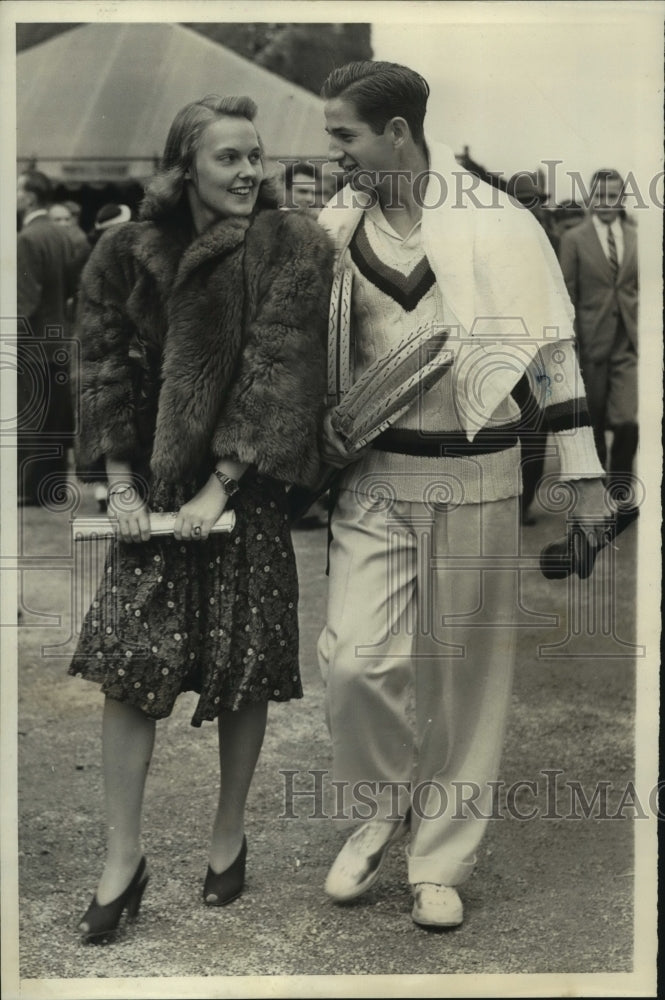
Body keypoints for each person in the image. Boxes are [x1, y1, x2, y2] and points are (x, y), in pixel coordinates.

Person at [315, 61, 607, 930]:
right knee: (353, 661)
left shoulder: (499, 221)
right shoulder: (334, 224)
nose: (332, 154)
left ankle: (438, 860)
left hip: (476, 471)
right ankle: (379, 807)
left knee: (465, 675)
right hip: (372, 478)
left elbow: (550, 351)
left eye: (345, 136)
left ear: (396, 133)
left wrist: (582, 476)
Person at [68, 94, 334, 943]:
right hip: (148, 490)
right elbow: (100, 364)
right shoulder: (121, 250)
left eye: (256, 155)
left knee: (245, 664)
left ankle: (228, 837)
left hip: (242, 495)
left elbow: (277, 370)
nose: (251, 171)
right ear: (186, 167)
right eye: (229, 158)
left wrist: (218, 488)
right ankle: (122, 858)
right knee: (128, 666)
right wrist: (120, 486)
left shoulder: (291, 246)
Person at [558, 169, 638, 506]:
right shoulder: (574, 238)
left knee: (628, 420)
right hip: (590, 345)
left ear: (622, 198)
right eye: (600, 195)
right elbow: (567, 294)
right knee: (594, 419)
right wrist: (571, 343)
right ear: (592, 199)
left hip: (628, 344)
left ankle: (620, 491)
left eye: (614, 195)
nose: (607, 202)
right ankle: (597, 490)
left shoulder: (637, 237)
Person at [17, 170, 81, 505]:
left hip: (33, 342)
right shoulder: (61, 235)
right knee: (56, 416)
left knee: (30, 415)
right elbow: (72, 287)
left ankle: (29, 488)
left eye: (17, 189)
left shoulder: (27, 238)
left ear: (29, 197)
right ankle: (53, 487)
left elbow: (24, 299)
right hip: (60, 338)